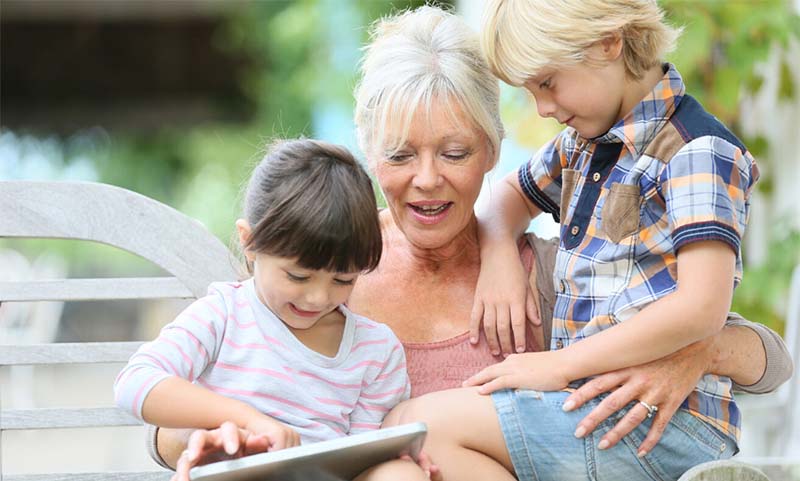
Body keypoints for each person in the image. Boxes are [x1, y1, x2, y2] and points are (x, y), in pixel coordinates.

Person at [152, 6, 793, 481]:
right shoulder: (317, 263)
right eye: (401, 154)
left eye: (455, 152)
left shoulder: (547, 271)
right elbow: (183, 411)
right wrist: (202, 438)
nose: (428, 179)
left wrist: (701, 350)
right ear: (369, 154)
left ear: (491, 150)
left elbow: (770, 361)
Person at [382, 0, 765, 479]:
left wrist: (558, 365)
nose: (543, 108)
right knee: (413, 439)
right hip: (597, 409)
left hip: (667, 423)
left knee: (418, 425)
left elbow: (702, 307)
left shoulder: (696, 150)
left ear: (608, 44)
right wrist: (499, 253)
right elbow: (507, 199)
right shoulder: (582, 147)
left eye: (547, 83)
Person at [114, 140, 414, 466]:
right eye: (298, 277)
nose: (318, 297)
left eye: (343, 281)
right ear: (250, 243)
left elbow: (359, 461)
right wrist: (245, 418)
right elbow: (135, 382)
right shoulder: (225, 315)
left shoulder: (375, 351)